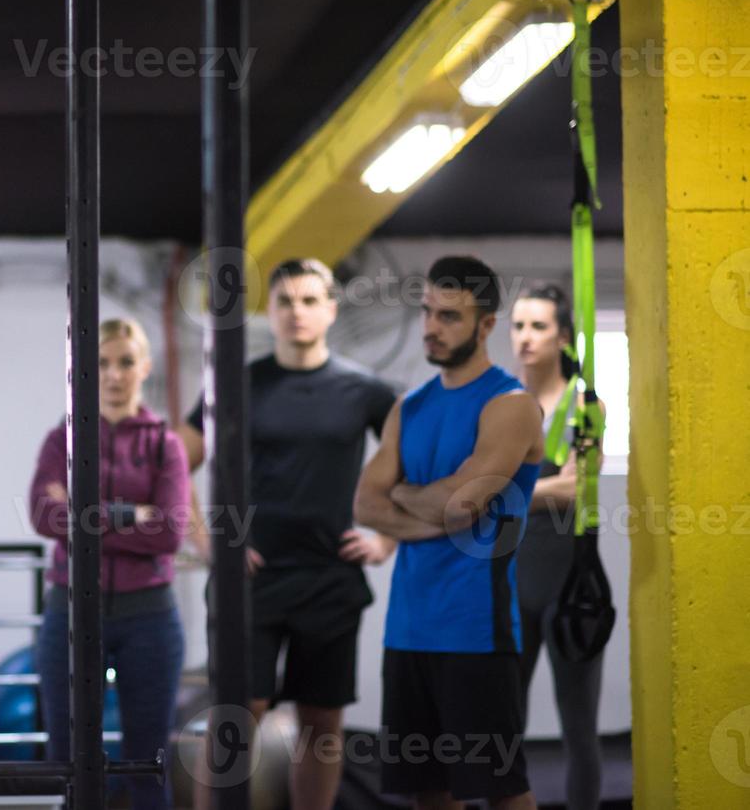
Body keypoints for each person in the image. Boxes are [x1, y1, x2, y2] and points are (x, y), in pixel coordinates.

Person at [178, 258, 396, 810]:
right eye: (284, 302)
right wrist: (209, 544)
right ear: (269, 312)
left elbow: (415, 465)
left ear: (330, 308)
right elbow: (171, 463)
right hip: (250, 580)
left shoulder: (365, 390)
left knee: (321, 722)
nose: (296, 312)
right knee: (238, 715)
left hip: (330, 578)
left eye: (307, 300)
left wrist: (387, 539)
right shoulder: (237, 384)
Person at [354, 255, 543, 810]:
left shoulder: (509, 406)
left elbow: (462, 506)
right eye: (428, 312)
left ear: (486, 325)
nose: (432, 328)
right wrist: (433, 505)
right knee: (427, 791)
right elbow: (365, 503)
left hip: (476, 631)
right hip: (409, 630)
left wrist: (408, 494)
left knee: (502, 790)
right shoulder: (407, 407)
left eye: (450, 317)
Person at [29, 318, 192, 810]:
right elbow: (43, 514)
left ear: (144, 367)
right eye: (102, 363)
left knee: (149, 762)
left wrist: (81, 519)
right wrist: (128, 515)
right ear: (84, 370)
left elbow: (169, 531)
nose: (114, 374)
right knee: (69, 761)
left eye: (125, 361)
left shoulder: (167, 444)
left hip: (150, 619)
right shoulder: (63, 440)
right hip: (72, 615)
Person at [510, 284, 604, 809]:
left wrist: (510, 492)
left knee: (579, 730)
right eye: (518, 326)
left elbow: (578, 487)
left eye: (539, 326)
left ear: (562, 336)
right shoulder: (500, 403)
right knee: (503, 728)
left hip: (573, 588)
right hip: (511, 583)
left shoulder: (584, 404)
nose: (525, 338)